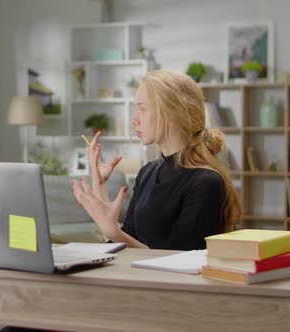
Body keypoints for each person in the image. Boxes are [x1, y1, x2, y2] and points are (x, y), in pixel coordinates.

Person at [71, 69, 241, 250]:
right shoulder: (147, 172)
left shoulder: (206, 183)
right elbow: (123, 246)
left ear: (172, 113)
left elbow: (178, 263)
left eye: (142, 109)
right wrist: (100, 185)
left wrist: (114, 232)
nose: (134, 120)